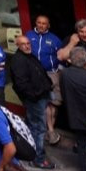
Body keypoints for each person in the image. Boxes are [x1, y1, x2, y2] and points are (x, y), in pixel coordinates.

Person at [7, 35, 54, 169]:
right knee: (39, 128)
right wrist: (34, 96)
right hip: (35, 99)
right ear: (18, 45)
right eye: (23, 44)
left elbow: (39, 73)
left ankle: (26, 150)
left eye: (28, 43)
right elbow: (21, 84)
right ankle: (37, 158)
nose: (27, 46)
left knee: (31, 125)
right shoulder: (18, 60)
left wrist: (48, 85)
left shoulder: (29, 56)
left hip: (40, 96)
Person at [24, 15, 62, 146]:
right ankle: (49, 131)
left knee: (54, 103)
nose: (41, 25)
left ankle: (48, 130)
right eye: (39, 23)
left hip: (51, 74)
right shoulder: (28, 35)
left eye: (44, 23)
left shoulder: (55, 39)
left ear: (48, 25)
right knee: (44, 103)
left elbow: (61, 56)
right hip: (35, 74)